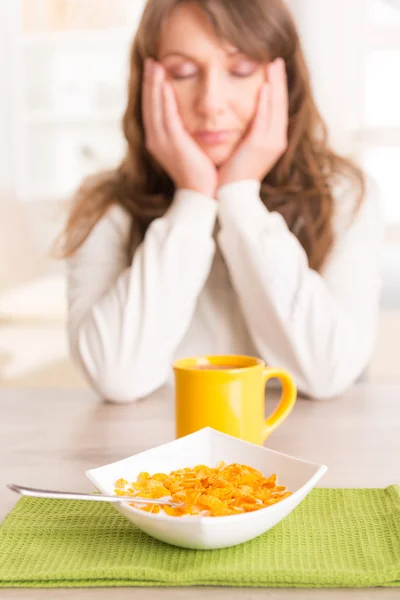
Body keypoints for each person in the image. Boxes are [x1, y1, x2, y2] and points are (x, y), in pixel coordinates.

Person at [59, 0, 382, 403]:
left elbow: (327, 373)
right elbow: (117, 376)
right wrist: (193, 199)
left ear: (284, 80)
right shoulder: (106, 204)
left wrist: (240, 198)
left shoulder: (346, 194)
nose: (211, 103)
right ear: (148, 81)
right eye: (183, 73)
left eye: (241, 70)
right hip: (165, 458)